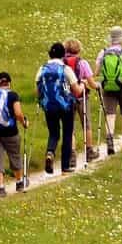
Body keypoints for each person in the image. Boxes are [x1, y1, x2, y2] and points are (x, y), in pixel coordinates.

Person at [36, 42, 80, 174]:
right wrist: (82, 86)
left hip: (49, 106)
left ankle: (50, 152)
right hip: (66, 106)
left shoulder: (42, 69)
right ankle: (65, 167)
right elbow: (76, 91)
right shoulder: (65, 69)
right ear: (63, 55)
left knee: (54, 133)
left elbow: (38, 90)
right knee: (67, 134)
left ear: (50, 54)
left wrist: (42, 101)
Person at [0, 72, 30, 194]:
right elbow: (18, 113)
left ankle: (0, 188)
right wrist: (24, 122)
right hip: (10, 132)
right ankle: (19, 182)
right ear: (9, 83)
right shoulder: (12, 95)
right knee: (15, 156)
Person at [63, 38, 101, 163]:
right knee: (86, 124)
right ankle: (89, 152)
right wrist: (97, 86)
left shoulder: (61, 63)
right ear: (78, 49)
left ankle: (72, 155)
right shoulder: (82, 63)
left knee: (70, 127)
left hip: (66, 98)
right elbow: (91, 83)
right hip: (81, 96)